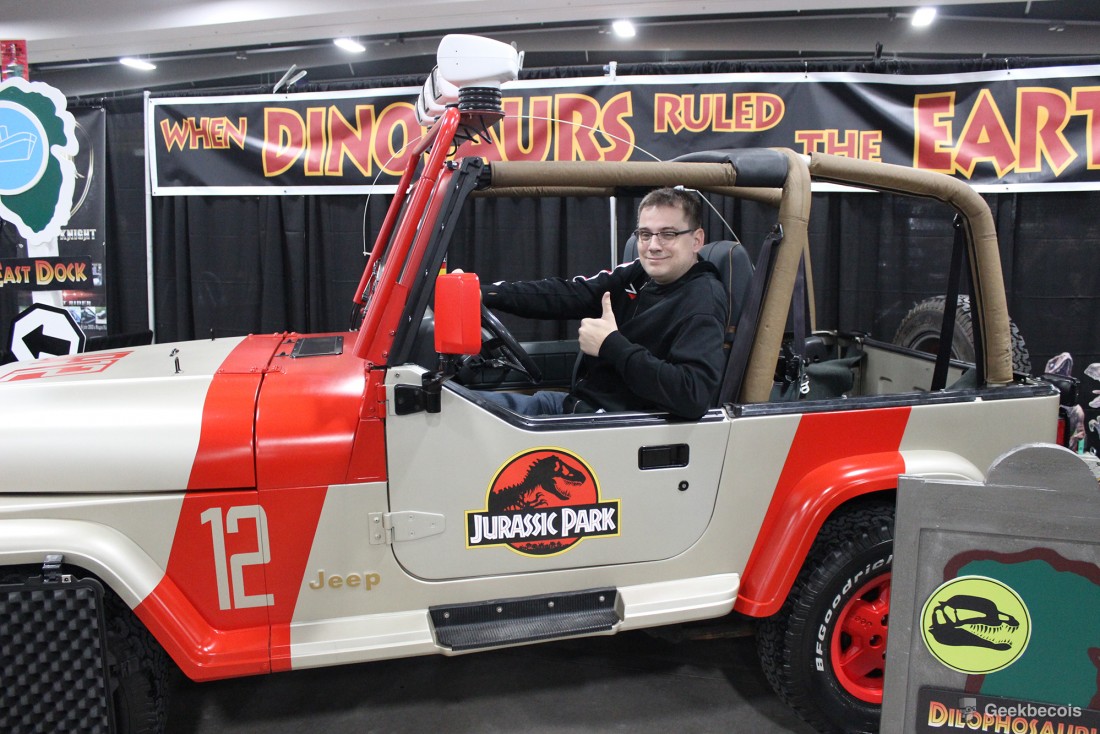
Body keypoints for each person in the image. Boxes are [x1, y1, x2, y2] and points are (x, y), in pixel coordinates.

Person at [476, 187, 728, 420]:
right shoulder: (639, 274)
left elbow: (692, 395)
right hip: (577, 406)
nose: (653, 246)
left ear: (696, 240)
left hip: (610, 428)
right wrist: (486, 294)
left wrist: (611, 345)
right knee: (462, 407)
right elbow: (569, 294)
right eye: (645, 234)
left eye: (668, 234)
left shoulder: (703, 300)